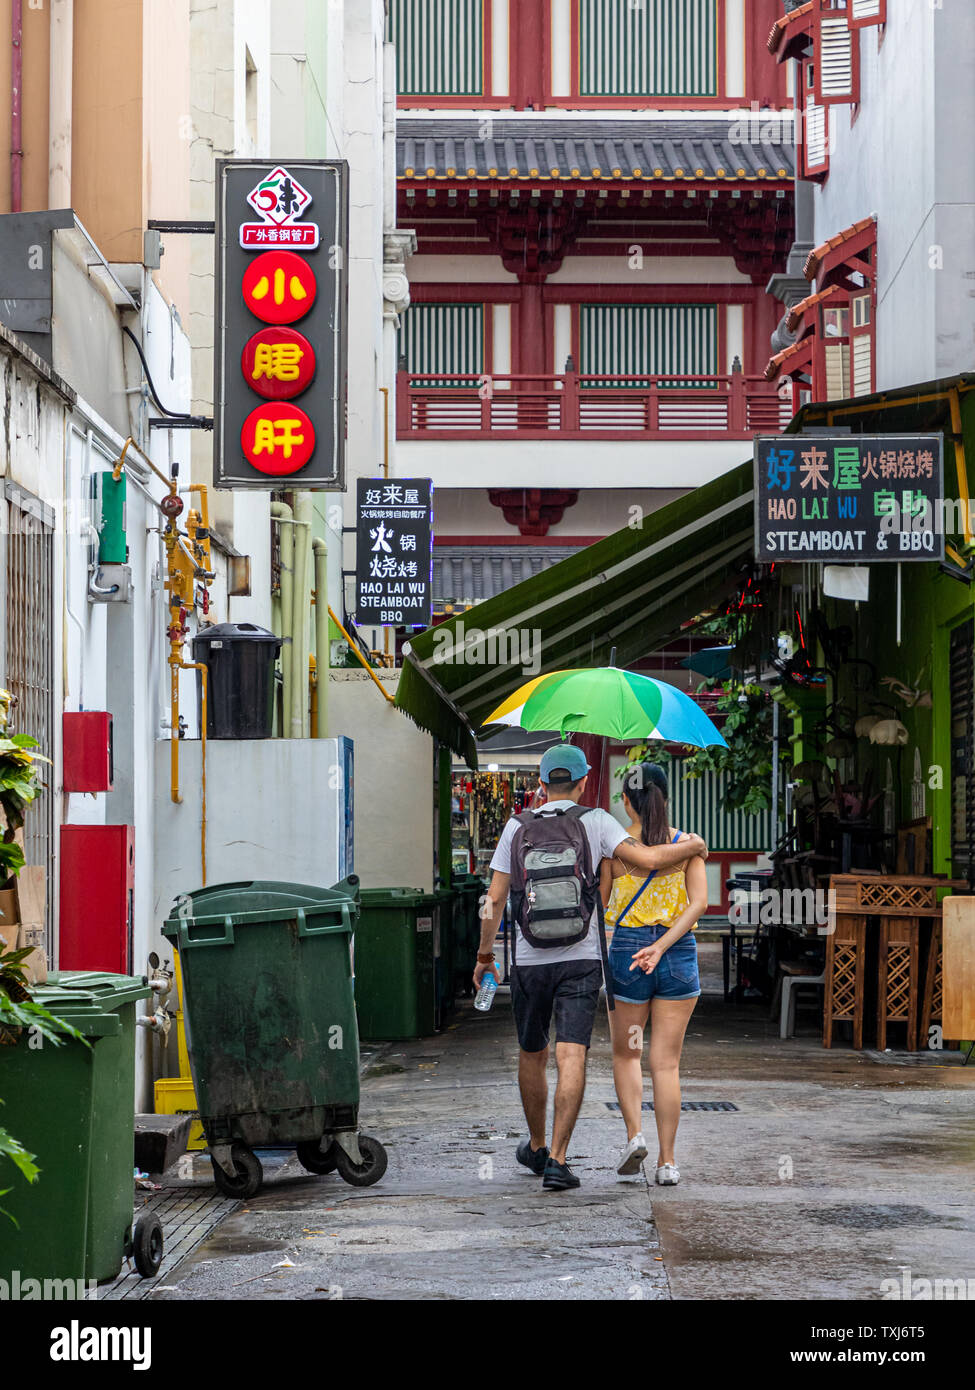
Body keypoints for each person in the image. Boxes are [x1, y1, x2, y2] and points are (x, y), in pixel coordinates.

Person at [474, 744, 708, 1192]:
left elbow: (495, 899)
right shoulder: (599, 823)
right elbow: (663, 869)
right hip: (596, 959)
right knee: (585, 1055)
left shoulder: (516, 827)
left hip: (535, 958)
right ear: (583, 783)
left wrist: (486, 956)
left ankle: (545, 1144)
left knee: (538, 1052)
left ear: (541, 785)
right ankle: (578, 1160)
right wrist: (693, 843)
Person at [603, 762, 708, 1186]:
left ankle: (634, 1137)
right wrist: (663, 945)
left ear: (627, 800)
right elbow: (698, 904)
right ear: (665, 798)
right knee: (666, 1065)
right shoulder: (689, 846)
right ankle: (667, 1162)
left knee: (628, 1053)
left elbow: (601, 904)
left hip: (629, 955)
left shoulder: (617, 848)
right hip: (677, 956)